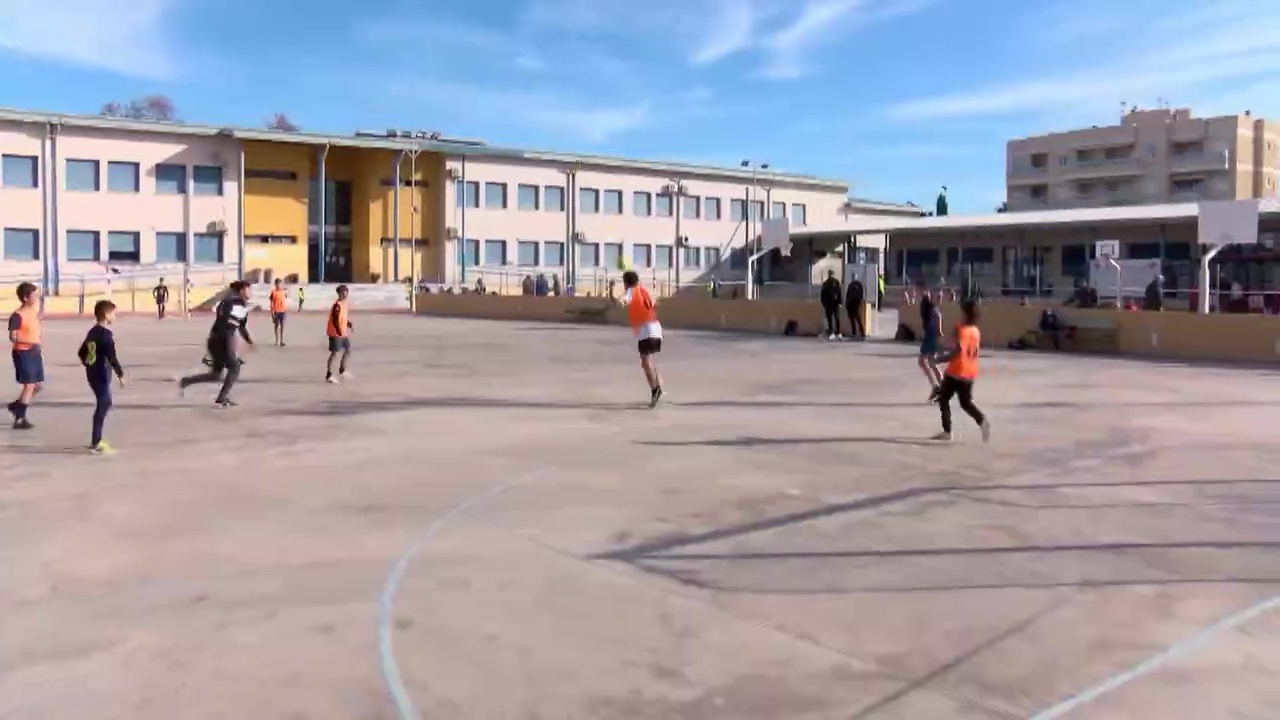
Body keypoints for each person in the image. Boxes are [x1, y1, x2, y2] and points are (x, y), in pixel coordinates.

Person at [179, 281, 253, 407]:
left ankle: (187, 381)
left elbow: (241, 326)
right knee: (235, 367)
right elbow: (223, 318)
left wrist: (249, 341)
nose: (250, 292)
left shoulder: (241, 305)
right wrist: (228, 347)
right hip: (220, 339)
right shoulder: (232, 302)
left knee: (215, 375)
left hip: (220, 339)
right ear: (241, 291)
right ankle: (221, 398)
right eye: (248, 289)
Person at [933, 299, 990, 443]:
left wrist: (938, 359)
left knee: (944, 398)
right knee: (966, 403)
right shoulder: (976, 331)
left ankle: (947, 432)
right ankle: (982, 420)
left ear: (964, 313)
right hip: (970, 372)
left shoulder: (960, 329)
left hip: (956, 371)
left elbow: (955, 352)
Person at [78, 300, 126, 454]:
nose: (115, 317)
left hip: (92, 373)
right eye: (113, 313)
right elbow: (112, 357)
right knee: (104, 403)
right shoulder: (106, 335)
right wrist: (121, 374)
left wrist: (88, 363)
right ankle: (96, 441)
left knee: (104, 403)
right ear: (106, 315)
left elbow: (81, 352)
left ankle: (96, 439)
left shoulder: (92, 332)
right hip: (102, 373)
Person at [619, 270, 664, 408]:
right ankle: (658, 385)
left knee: (645, 362)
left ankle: (655, 390)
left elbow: (623, 301)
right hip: (656, 328)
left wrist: (616, 299)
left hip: (646, 330)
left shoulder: (632, 291)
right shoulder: (644, 291)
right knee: (648, 360)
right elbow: (654, 303)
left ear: (626, 283)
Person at [7, 282, 42, 430]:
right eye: (34, 295)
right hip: (23, 351)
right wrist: (30, 341)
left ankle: (16, 406)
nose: (37, 297)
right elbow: (13, 337)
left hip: (34, 351)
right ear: (26, 298)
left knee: (37, 386)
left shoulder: (33, 310)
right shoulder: (17, 316)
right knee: (29, 385)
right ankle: (20, 418)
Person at [917, 280, 944, 402]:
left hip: (930, 333)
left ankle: (936, 387)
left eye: (916, 289)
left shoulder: (926, 299)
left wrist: (939, 331)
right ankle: (940, 387)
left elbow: (937, 315)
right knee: (931, 362)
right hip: (930, 333)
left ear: (922, 288)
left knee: (922, 361)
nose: (915, 292)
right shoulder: (925, 300)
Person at [325, 285, 354, 384]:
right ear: (340, 293)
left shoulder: (344, 304)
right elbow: (335, 319)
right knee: (334, 354)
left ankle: (342, 370)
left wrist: (348, 323)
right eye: (344, 292)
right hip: (335, 333)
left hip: (343, 333)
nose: (346, 294)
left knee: (348, 350)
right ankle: (329, 374)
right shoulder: (337, 305)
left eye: (347, 292)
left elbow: (343, 318)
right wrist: (338, 330)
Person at [820, 269, 843, 340]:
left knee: (837, 318)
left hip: (835, 303)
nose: (831, 276)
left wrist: (840, 302)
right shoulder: (826, 283)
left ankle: (838, 332)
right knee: (829, 319)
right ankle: (831, 332)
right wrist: (824, 303)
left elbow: (839, 293)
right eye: (830, 274)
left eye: (831, 274)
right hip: (828, 304)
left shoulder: (836, 282)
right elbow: (822, 295)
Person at [845, 274, 866, 340]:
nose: (854, 278)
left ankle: (862, 333)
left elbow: (861, 294)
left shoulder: (859, 285)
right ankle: (854, 333)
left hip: (856, 304)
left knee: (858, 319)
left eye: (855, 276)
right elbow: (847, 295)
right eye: (853, 277)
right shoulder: (850, 285)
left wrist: (860, 301)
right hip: (850, 304)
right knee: (852, 319)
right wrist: (847, 303)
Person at [269, 278, 288, 347]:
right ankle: (277, 340)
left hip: (283, 310)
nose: (279, 285)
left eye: (280, 284)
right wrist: (272, 313)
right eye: (277, 284)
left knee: (282, 325)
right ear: (275, 284)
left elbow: (285, 299)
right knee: (276, 325)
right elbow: (271, 303)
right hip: (276, 311)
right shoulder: (273, 292)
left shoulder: (283, 292)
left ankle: (282, 340)